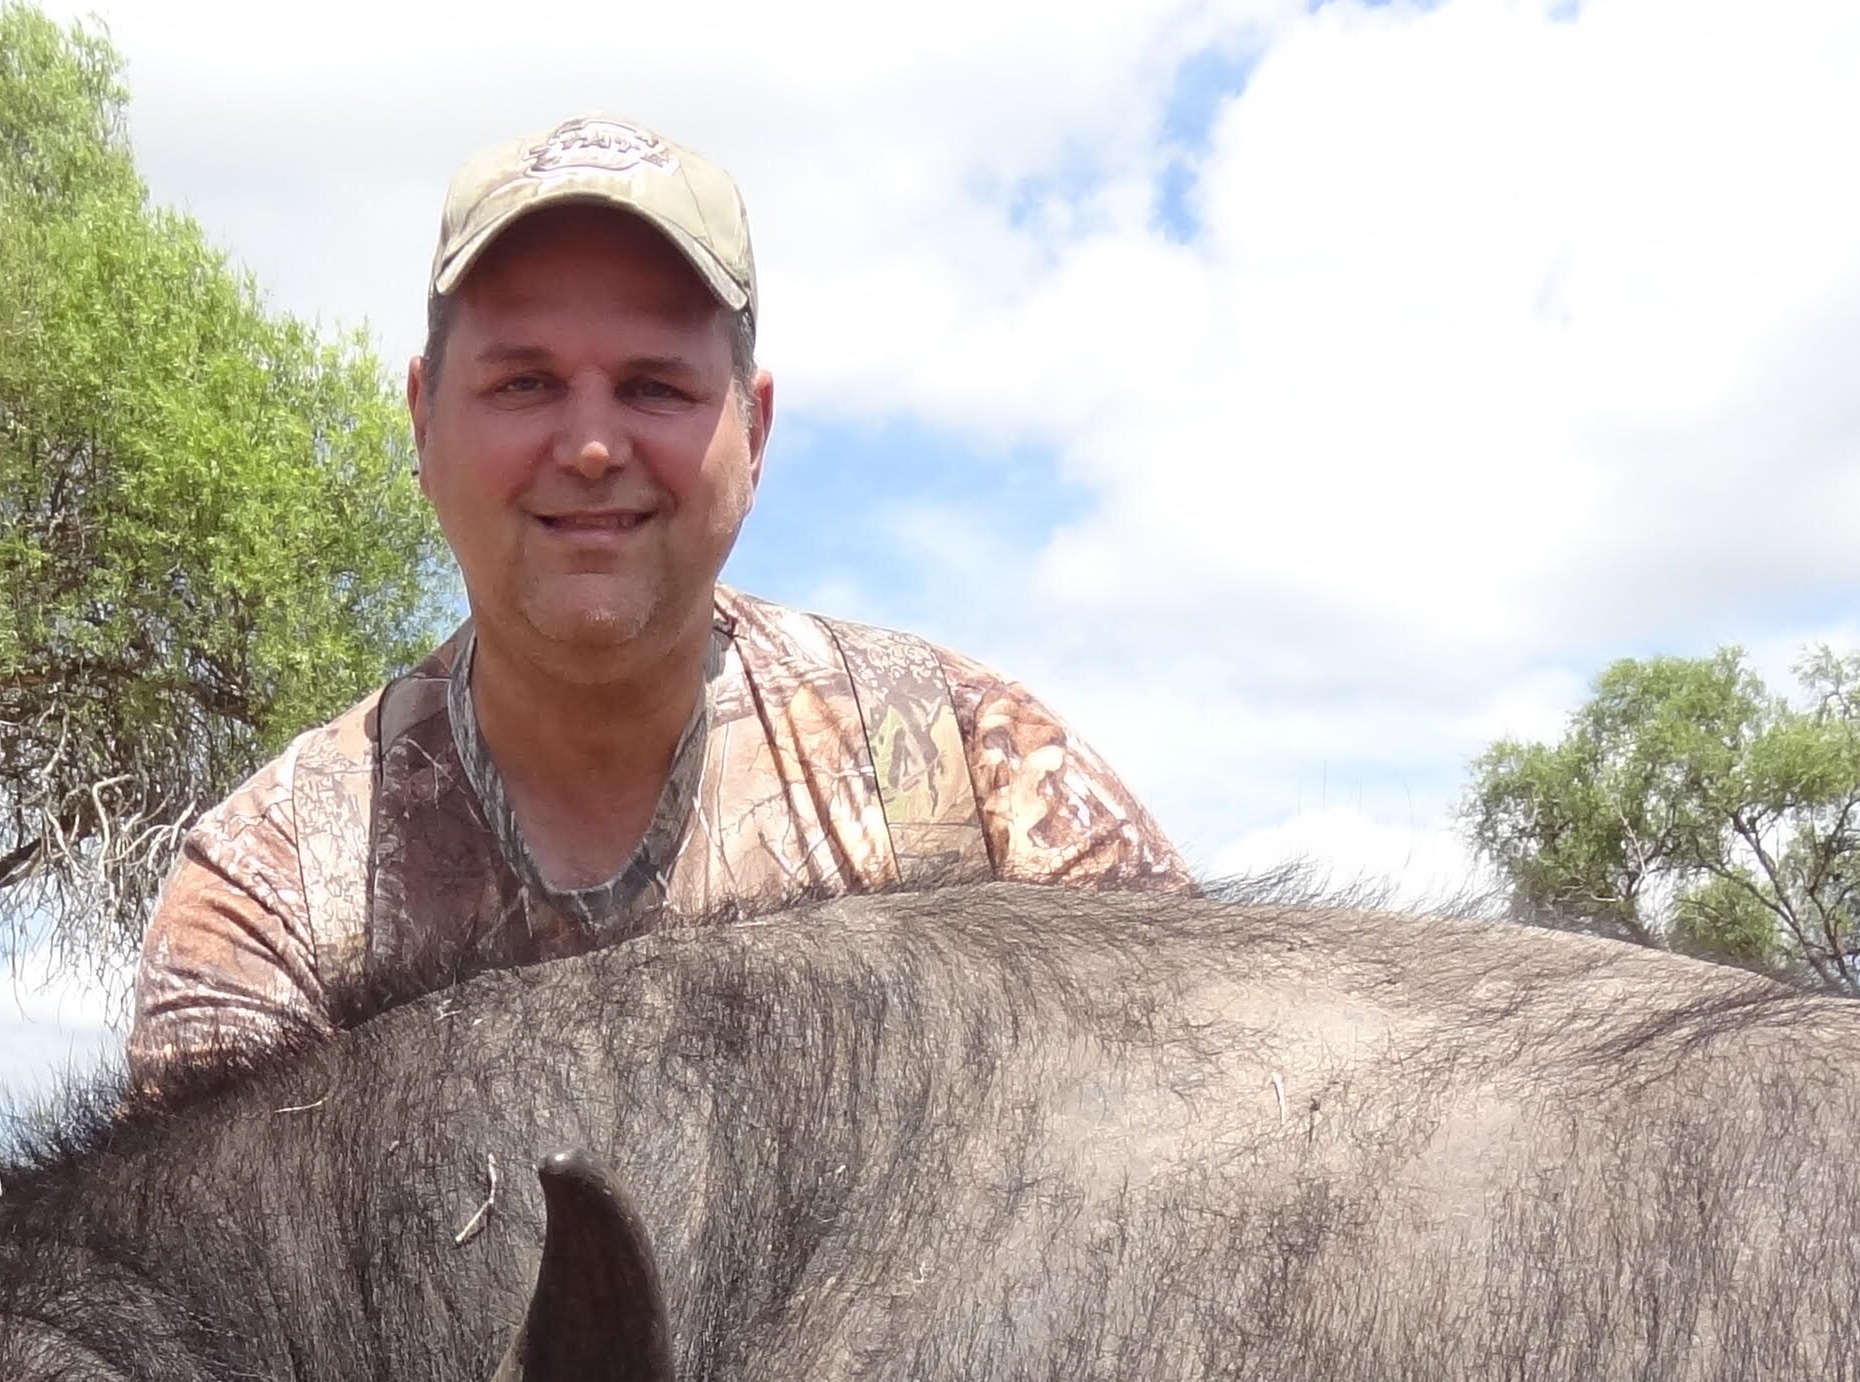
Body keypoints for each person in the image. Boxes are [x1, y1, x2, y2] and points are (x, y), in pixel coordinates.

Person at [128, 114, 1189, 1100]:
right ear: (422, 421)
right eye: (525, 384)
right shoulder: (276, 894)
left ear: (757, 433)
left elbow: (1224, 1144)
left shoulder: (973, 780)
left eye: (655, 387)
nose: (592, 448)